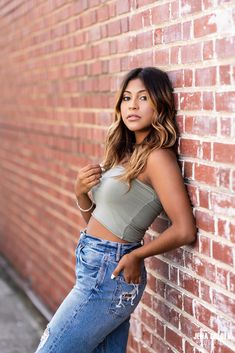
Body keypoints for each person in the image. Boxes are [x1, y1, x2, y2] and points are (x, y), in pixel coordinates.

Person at [35, 67, 196, 353]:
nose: (132, 105)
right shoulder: (124, 153)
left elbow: (184, 229)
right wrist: (80, 193)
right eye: (126, 98)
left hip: (112, 270)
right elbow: (101, 220)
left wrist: (137, 254)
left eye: (143, 98)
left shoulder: (158, 157)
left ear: (160, 104)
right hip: (94, 260)